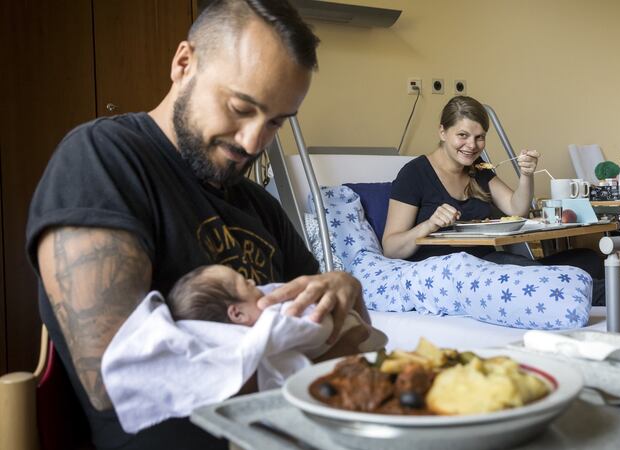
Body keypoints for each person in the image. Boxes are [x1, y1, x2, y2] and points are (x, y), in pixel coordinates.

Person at [26, 1, 365, 448]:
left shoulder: (259, 206)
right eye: (241, 107)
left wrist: (346, 289)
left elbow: (353, 342)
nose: (253, 141)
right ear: (184, 63)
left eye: (276, 122)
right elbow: (121, 381)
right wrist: (297, 355)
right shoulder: (104, 159)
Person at [382, 95, 604, 303]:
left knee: (589, 259)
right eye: (463, 135)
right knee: (561, 280)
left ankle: (601, 295)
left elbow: (517, 210)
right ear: (442, 132)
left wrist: (526, 175)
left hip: (488, 263)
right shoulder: (414, 174)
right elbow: (391, 248)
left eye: (479, 137)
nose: (472, 145)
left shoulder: (478, 170)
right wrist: (429, 224)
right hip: (453, 274)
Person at [165, 264, 387, 359]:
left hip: (368, 347)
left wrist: (349, 283)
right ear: (237, 314)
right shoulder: (272, 326)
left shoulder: (263, 207)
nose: (254, 281)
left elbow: (331, 296)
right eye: (246, 284)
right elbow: (316, 328)